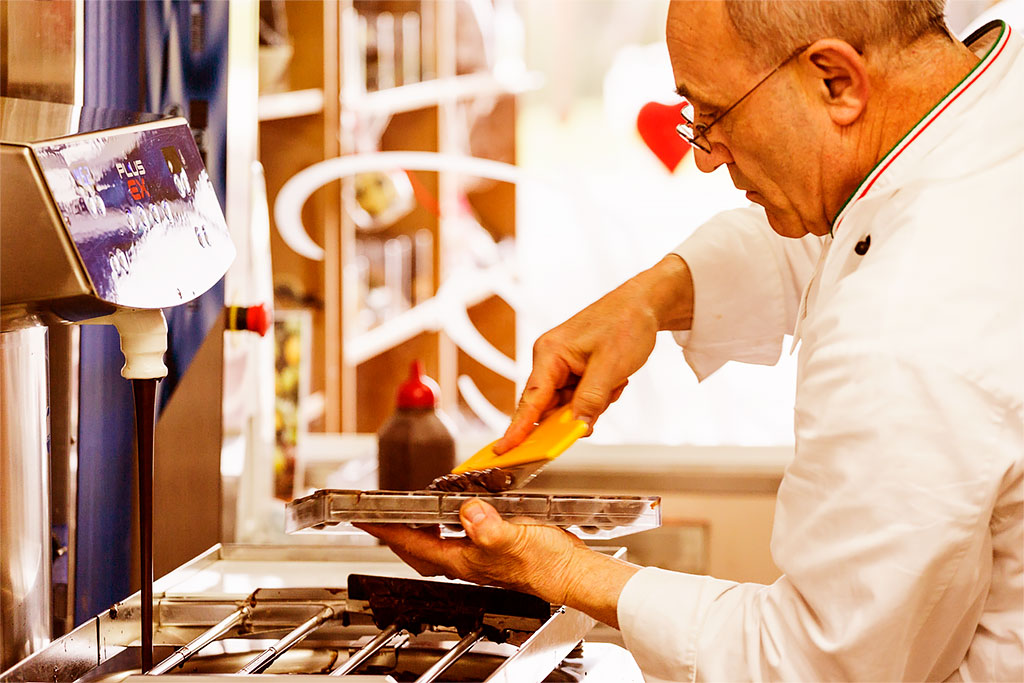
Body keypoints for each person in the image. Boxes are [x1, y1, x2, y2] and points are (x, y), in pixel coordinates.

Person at [358, 1, 1024, 680]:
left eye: (712, 116)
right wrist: (652, 298)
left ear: (836, 82)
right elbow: (860, 221)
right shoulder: (986, 77)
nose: (706, 159)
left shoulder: (905, 329)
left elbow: (816, 662)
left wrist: (556, 567)